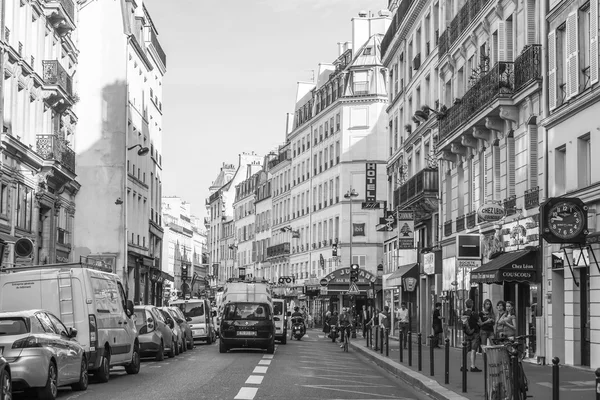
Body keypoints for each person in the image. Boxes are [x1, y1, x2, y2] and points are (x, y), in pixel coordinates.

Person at [461, 298, 482, 372]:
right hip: (475, 333)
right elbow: (480, 323)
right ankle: (472, 366)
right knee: (473, 350)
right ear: (472, 305)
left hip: (467, 333)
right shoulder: (474, 314)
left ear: (465, 305)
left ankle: (463, 365)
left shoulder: (464, 313)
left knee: (466, 349)